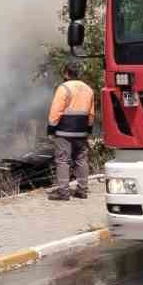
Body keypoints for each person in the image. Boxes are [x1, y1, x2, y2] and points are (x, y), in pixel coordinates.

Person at [47, 65, 96, 200]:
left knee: (63, 161)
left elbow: (56, 111)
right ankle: (82, 191)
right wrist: (89, 130)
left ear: (66, 74)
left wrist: (51, 129)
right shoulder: (88, 89)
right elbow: (91, 114)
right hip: (81, 131)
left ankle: (63, 193)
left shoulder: (64, 88)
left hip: (64, 131)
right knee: (81, 159)